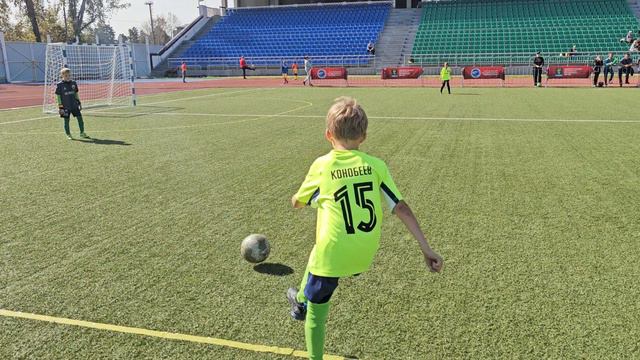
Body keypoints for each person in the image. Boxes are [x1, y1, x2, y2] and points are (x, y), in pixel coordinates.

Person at [286, 97, 443, 360]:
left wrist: (315, 199)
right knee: (321, 244)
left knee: (317, 315)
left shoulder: (323, 166)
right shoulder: (375, 165)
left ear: (328, 135)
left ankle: (308, 317)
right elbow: (401, 208)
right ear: (364, 136)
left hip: (333, 258)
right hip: (363, 256)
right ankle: (300, 298)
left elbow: (296, 203)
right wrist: (426, 250)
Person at [56, 68, 89, 140]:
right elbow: (58, 96)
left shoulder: (74, 83)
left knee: (80, 119)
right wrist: (60, 106)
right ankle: (68, 134)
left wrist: (79, 101)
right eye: (66, 75)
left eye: (69, 75)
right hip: (65, 106)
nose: (68, 77)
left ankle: (82, 133)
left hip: (74, 105)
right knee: (66, 121)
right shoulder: (60, 85)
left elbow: (76, 93)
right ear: (62, 76)